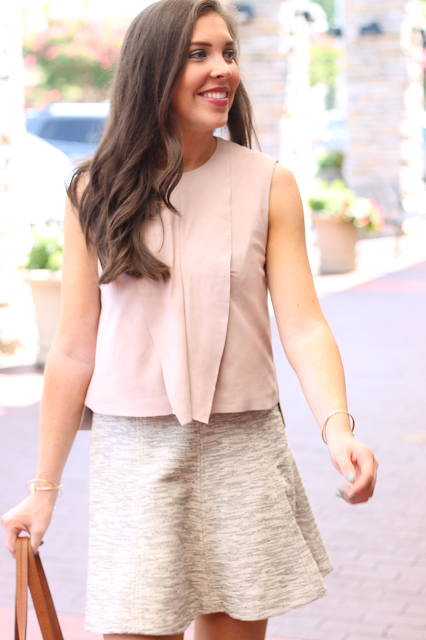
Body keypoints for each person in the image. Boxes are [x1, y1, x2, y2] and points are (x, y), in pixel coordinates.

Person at [2, 1, 379, 639]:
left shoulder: (270, 184)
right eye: (198, 54)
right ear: (152, 71)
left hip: (244, 448)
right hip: (135, 456)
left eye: (228, 52)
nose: (222, 68)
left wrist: (337, 428)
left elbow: (304, 325)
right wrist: (44, 488)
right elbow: (72, 348)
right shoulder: (94, 190)